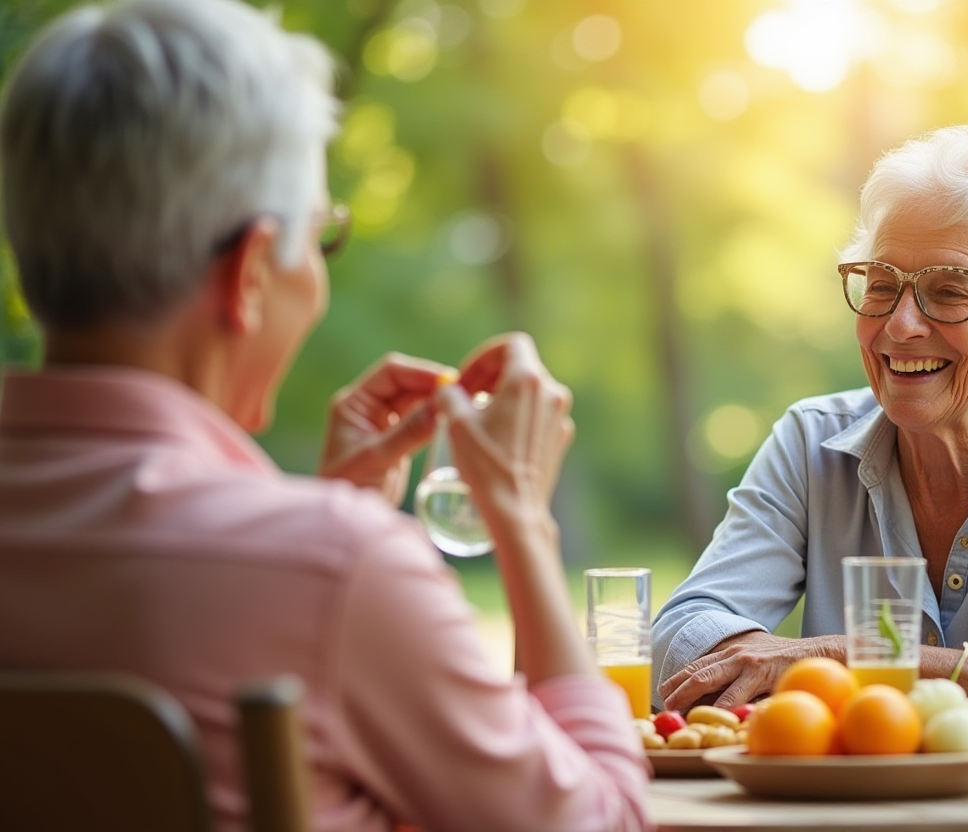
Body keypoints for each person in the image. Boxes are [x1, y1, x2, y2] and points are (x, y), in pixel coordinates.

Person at [0, 2, 650, 831]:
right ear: (248, 276)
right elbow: (606, 822)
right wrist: (522, 521)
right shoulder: (336, 568)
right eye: (318, 239)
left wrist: (329, 516)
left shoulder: (324, 559)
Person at [653, 125, 968, 730]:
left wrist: (840, 656)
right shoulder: (809, 442)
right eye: (881, 284)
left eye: (950, 291)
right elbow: (680, 632)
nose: (900, 325)